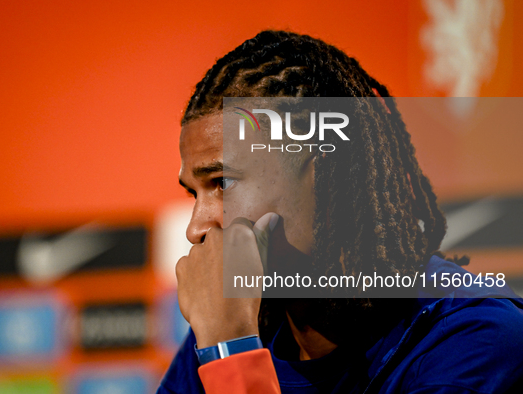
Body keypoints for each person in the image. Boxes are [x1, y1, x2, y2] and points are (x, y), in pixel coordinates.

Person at [157, 30, 523, 393]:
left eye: (222, 183)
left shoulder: (474, 340)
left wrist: (231, 354)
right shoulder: (232, 327)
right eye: (194, 193)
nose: (195, 228)